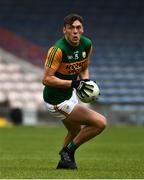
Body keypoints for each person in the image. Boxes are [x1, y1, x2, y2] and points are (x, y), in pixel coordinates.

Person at [42, 13, 107, 170]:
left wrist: (85, 82)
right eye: (71, 28)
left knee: (75, 130)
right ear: (64, 30)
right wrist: (75, 83)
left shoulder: (87, 45)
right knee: (100, 123)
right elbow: (46, 79)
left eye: (78, 28)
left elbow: (84, 68)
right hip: (56, 101)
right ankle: (68, 152)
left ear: (83, 29)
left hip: (69, 95)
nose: (75, 31)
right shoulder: (57, 50)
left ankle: (64, 161)